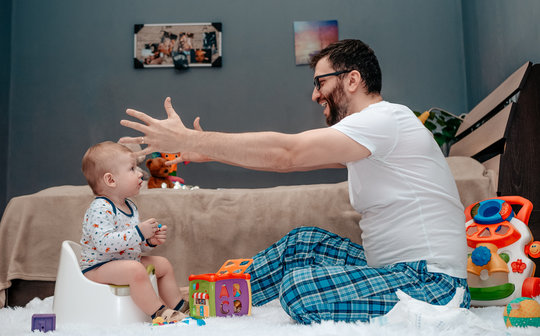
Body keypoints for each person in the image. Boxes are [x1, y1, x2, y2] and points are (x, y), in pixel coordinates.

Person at [119, 39, 470, 324]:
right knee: (302, 243)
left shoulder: (385, 119)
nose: (316, 95)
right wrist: (210, 153)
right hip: (395, 272)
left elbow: (288, 153)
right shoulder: (371, 135)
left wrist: (192, 140)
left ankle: (202, 303)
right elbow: (287, 164)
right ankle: (198, 304)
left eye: (321, 82)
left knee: (300, 291)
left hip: (433, 284)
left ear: (352, 79)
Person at [80, 141, 187, 322]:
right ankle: (159, 313)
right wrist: (139, 232)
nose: (140, 174)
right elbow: (104, 244)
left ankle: (180, 306)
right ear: (111, 180)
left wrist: (149, 241)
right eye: (132, 169)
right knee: (135, 270)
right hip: (98, 267)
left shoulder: (130, 206)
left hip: (124, 261)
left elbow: (131, 246)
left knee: (163, 264)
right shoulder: (100, 207)